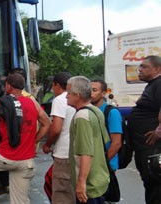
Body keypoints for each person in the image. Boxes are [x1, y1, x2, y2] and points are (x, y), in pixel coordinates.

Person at [0, 73, 51, 204]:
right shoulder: (32, 103)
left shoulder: (2, 104)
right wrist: (33, 141)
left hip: (6, 157)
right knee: (20, 201)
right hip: (26, 162)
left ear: (8, 86)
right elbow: (47, 123)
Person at [66, 76, 110, 204]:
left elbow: (86, 153)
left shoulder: (81, 117)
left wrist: (81, 183)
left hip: (90, 186)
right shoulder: (95, 110)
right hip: (100, 179)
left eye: (69, 93)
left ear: (77, 96)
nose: (66, 96)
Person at [128, 55, 161, 204]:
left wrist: (158, 132)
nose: (139, 70)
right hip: (145, 147)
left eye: (144, 66)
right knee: (151, 185)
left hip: (154, 149)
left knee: (156, 186)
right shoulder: (153, 84)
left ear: (157, 68)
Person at [42, 72, 76, 204]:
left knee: (62, 194)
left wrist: (47, 145)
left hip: (63, 154)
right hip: (75, 152)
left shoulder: (60, 100)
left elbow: (56, 129)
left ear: (56, 85)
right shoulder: (77, 99)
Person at [91, 79, 122, 171]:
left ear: (103, 93)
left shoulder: (111, 112)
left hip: (106, 166)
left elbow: (116, 143)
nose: (90, 93)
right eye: (89, 90)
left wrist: (103, 163)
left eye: (94, 90)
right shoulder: (87, 110)